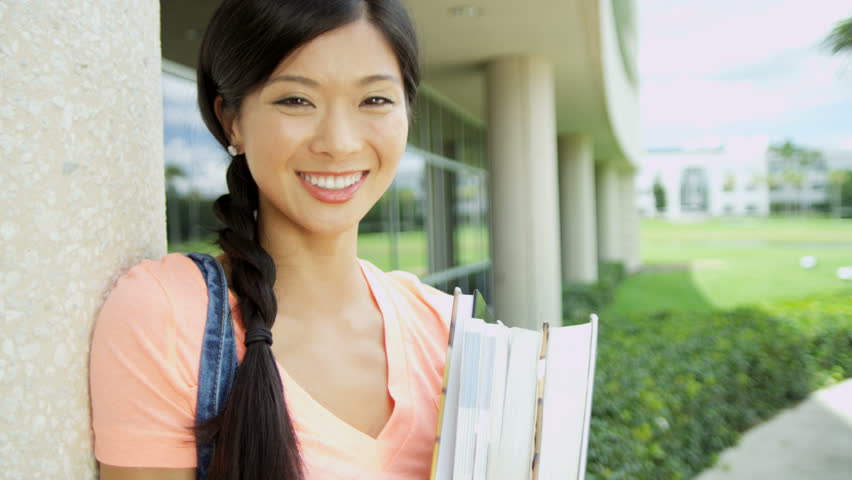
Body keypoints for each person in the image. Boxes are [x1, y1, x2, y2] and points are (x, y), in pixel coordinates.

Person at [89, 0, 453, 478]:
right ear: (231, 120)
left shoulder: (443, 328)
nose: (339, 142)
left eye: (374, 100)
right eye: (296, 100)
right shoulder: (169, 316)